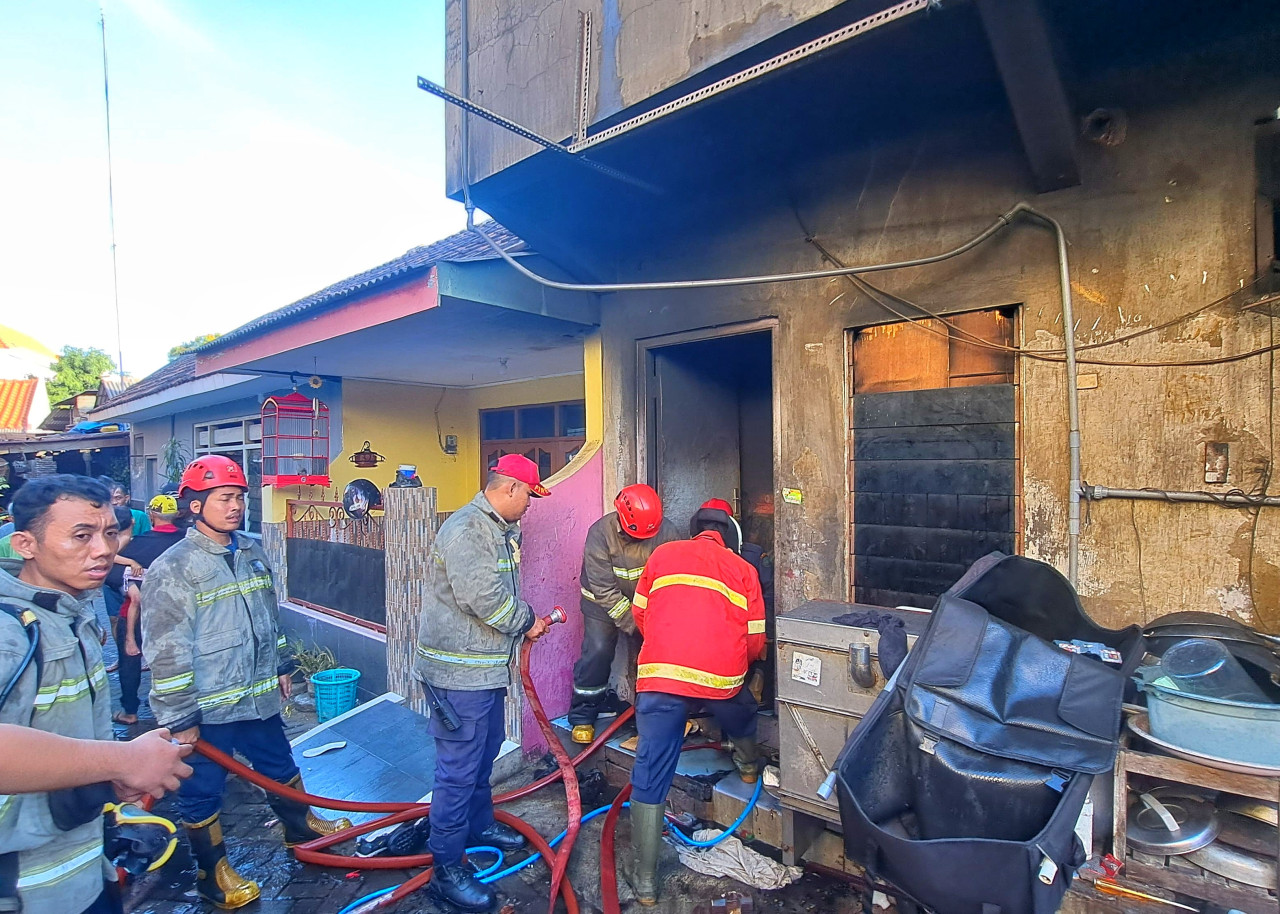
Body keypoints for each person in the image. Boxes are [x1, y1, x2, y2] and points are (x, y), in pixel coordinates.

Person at [142, 456, 350, 910]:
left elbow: (268, 618)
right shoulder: (174, 568)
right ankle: (212, 874)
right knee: (203, 788)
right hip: (207, 711)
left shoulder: (251, 551)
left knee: (279, 762)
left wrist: (280, 665)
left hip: (256, 699)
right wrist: (179, 718)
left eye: (239, 497)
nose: (235, 506)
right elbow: (166, 650)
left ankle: (301, 829)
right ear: (194, 506)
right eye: (224, 498)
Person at [0, 475, 189, 914]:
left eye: (108, 532)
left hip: (86, 880)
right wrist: (121, 759)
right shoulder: (11, 633)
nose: (103, 549)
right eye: (81, 536)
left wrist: (109, 777)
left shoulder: (67, 615)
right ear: (26, 544)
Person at [413, 454, 552, 913]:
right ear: (510, 488)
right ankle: (446, 869)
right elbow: (485, 599)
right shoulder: (469, 531)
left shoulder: (494, 529)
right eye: (529, 496)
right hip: (459, 676)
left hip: (482, 671)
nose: (530, 505)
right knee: (457, 770)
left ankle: (479, 824)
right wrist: (526, 621)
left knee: (485, 750)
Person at [623, 502, 767, 905]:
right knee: (740, 710)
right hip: (720, 680)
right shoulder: (744, 570)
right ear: (731, 535)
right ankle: (749, 766)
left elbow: (640, 613)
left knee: (651, 766)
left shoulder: (662, 554)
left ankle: (646, 881)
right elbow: (756, 640)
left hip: (661, 676)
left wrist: (674, 643)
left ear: (695, 529)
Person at [568, 484, 679, 744]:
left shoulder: (669, 532)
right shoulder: (600, 533)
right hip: (601, 604)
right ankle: (583, 715)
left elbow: (674, 576)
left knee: (654, 659)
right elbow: (604, 589)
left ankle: (650, 717)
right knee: (597, 652)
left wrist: (656, 620)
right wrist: (635, 623)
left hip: (647, 606)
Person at [111, 495, 186, 726]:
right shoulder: (188, 542)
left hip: (137, 614)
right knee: (174, 660)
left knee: (130, 660)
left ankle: (130, 712)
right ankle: (170, 708)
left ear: (152, 515)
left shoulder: (138, 543)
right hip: (178, 612)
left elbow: (110, 571)